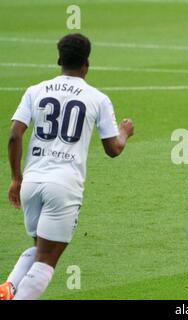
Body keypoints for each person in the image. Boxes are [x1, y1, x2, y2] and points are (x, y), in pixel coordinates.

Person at [0, 33, 134, 300]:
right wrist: (124, 132)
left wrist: (16, 178)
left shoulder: (35, 90)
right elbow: (113, 149)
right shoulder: (97, 97)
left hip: (32, 183)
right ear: (87, 63)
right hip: (63, 186)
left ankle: (8, 288)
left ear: (59, 59)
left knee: (40, 248)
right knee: (47, 259)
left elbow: (15, 134)